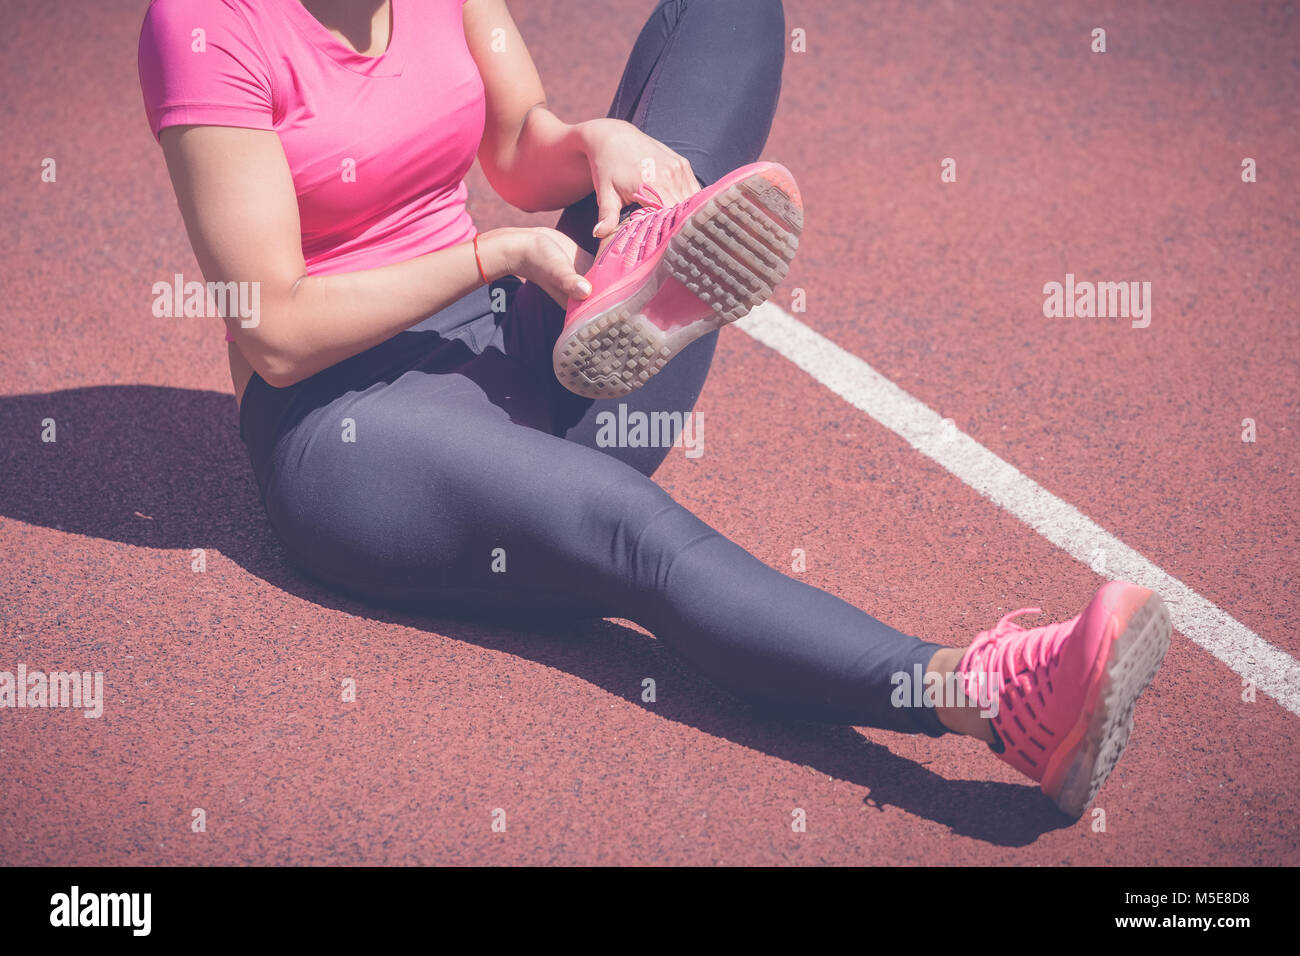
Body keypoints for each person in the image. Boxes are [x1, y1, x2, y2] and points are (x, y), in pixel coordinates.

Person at [137, 0, 1170, 818]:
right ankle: (991, 697)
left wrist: (596, 147)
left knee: (728, 8)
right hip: (352, 419)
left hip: (523, 336)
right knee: (633, 539)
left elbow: (512, 148)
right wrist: (497, 250)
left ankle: (641, 260)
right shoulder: (205, 26)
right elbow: (273, 326)